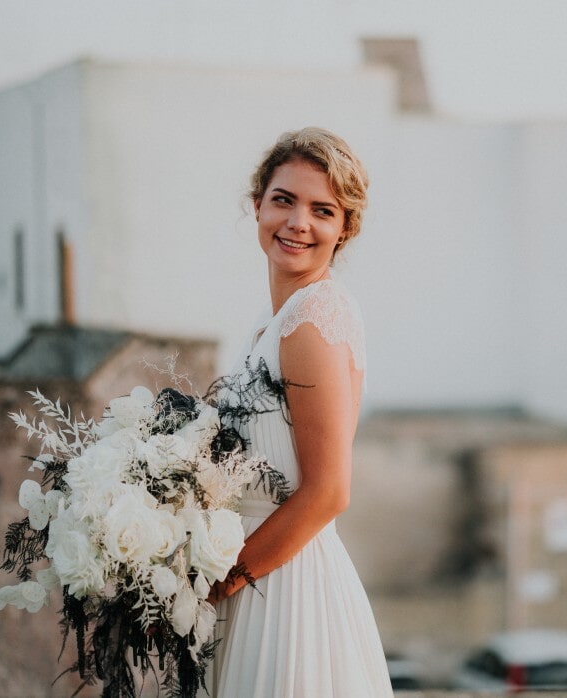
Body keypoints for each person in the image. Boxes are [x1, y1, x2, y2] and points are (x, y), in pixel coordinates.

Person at [207, 127, 393, 697]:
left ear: (345, 229)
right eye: (284, 200)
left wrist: (217, 584)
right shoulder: (270, 326)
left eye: (323, 210)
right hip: (257, 580)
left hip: (285, 597)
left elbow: (328, 491)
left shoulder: (314, 318)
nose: (298, 223)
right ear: (257, 203)